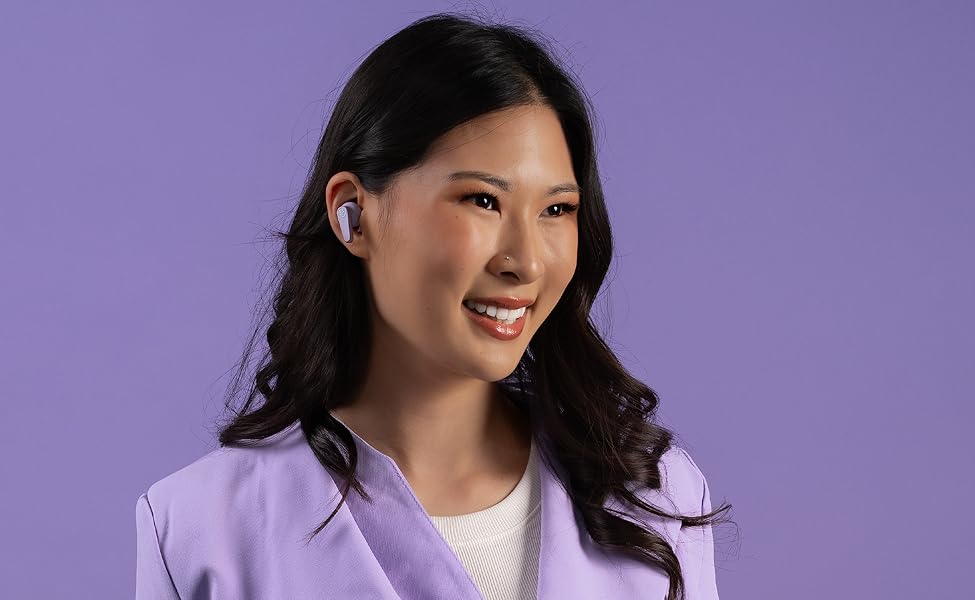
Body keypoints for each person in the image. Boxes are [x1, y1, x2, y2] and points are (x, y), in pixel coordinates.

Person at [134, 13, 729, 600]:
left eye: (556, 210)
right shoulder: (199, 531)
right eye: (482, 200)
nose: (526, 260)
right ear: (354, 214)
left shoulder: (656, 496)